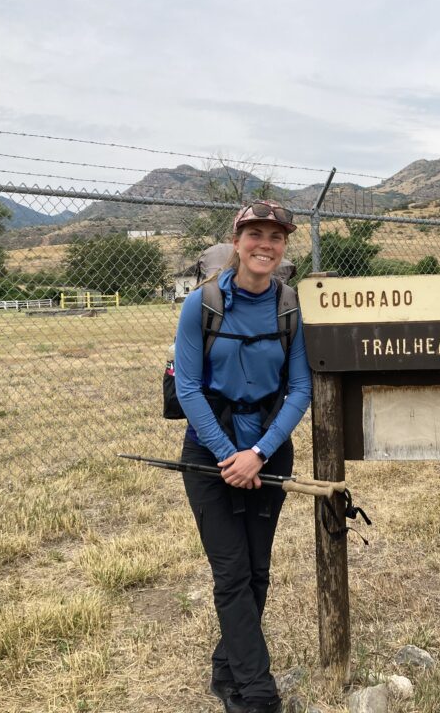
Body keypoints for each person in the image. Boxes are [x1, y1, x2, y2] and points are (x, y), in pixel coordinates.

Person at [173, 200, 312, 713]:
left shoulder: (291, 305)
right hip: (209, 454)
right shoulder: (202, 304)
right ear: (236, 242)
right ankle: (257, 695)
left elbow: (300, 388)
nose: (265, 244)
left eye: (275, 237)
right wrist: (231, 455)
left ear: (283, 247)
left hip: (269, 451)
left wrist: (258, 453)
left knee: (257, 572)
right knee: (231, 573)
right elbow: (188, 388)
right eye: (255, 234)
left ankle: (225, 670)